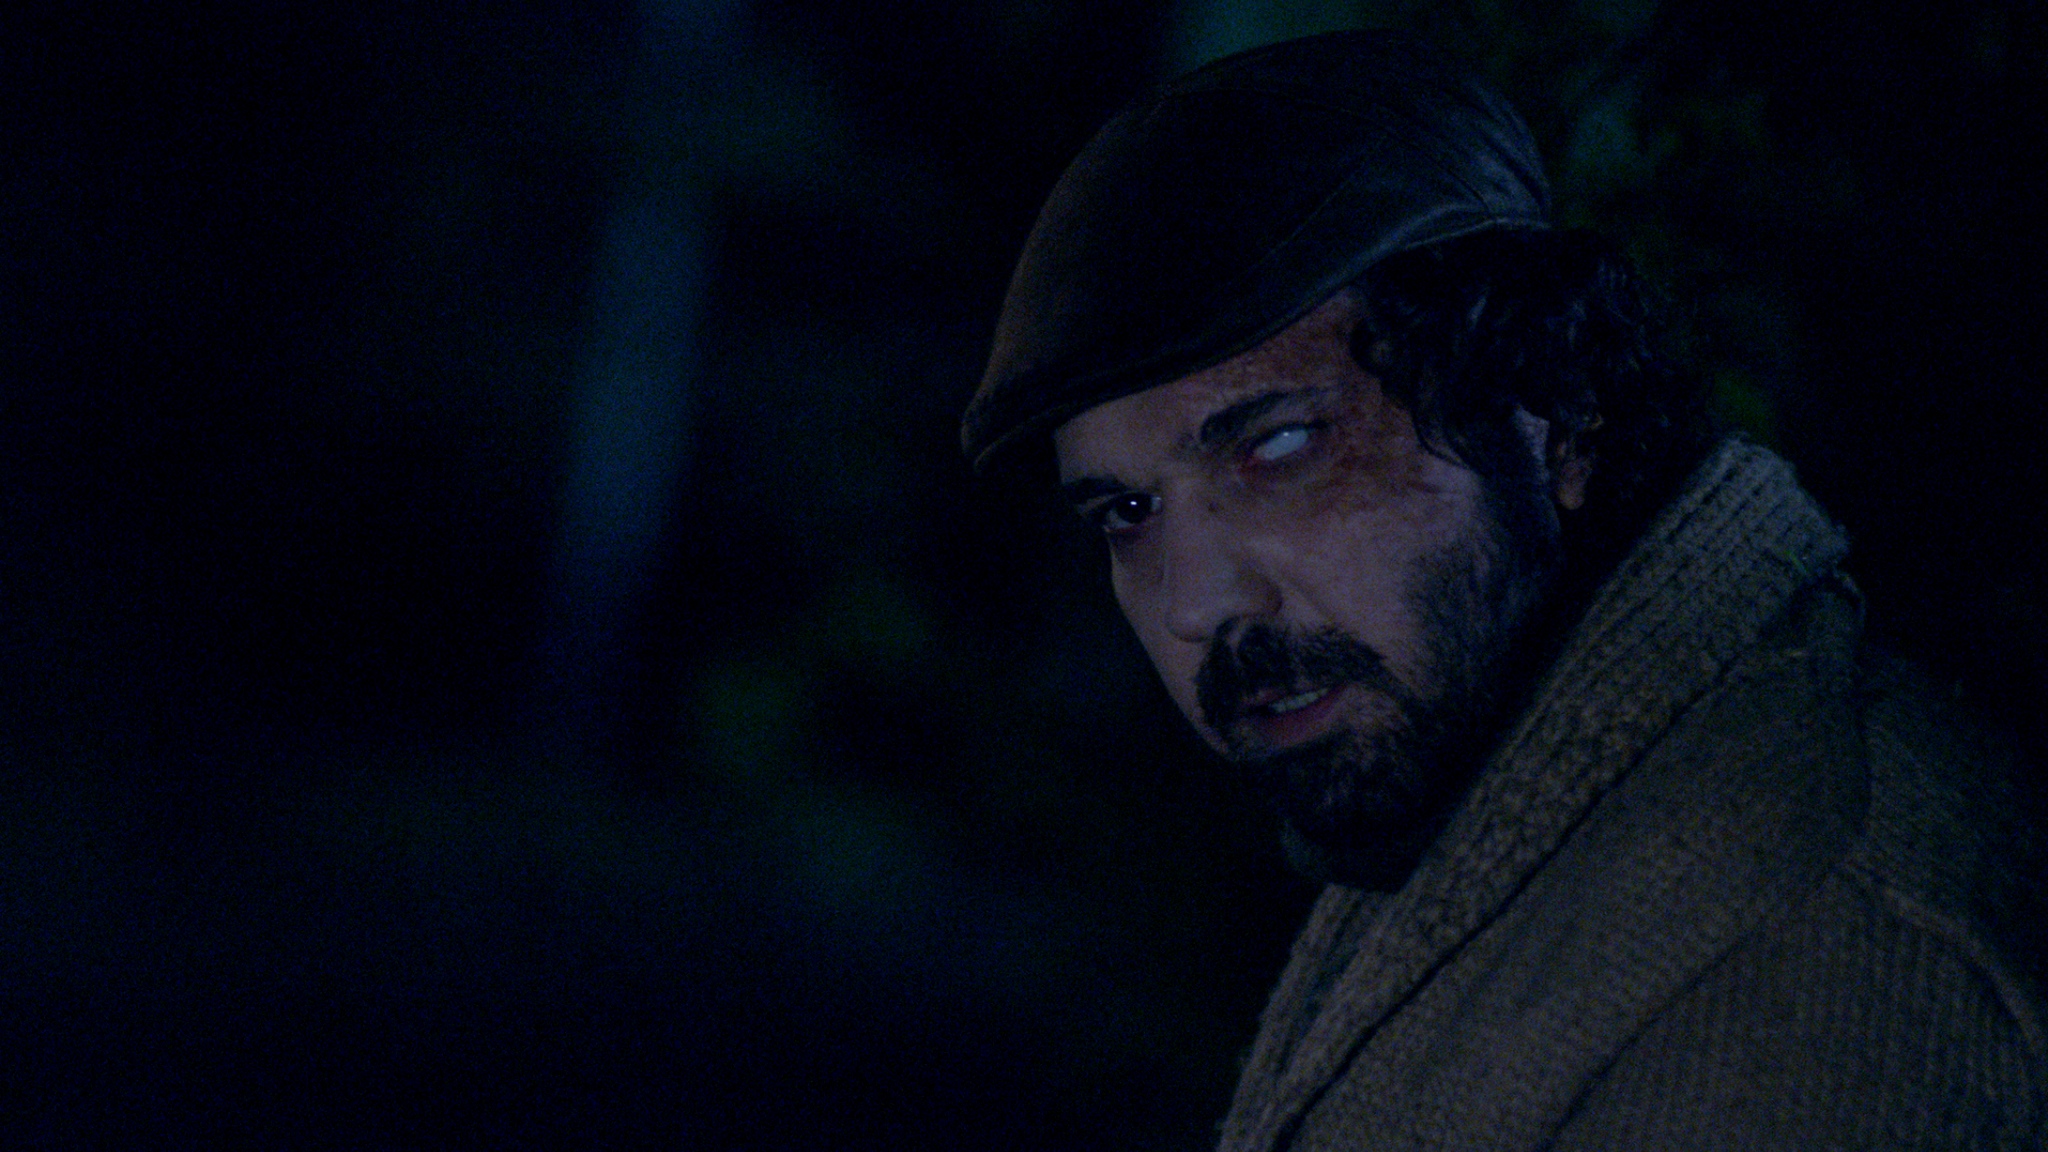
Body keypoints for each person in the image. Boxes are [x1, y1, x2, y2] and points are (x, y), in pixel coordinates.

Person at [960, 30, 2045, 1151]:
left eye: (1278, 448)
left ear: (1557, 410)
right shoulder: (1485, 793)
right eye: (1127, 512)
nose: (1195, 605)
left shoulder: (1815, 957)